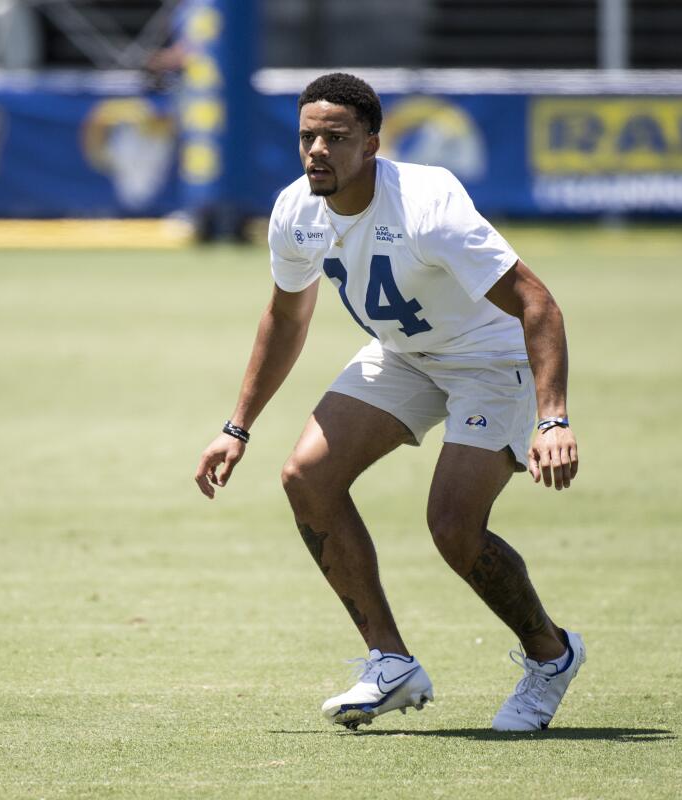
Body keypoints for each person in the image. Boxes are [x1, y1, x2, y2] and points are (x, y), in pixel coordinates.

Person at [194, 72, 583, 732]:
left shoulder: (427, 205)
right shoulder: (296, 211)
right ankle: (391, 661)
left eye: (335, 138)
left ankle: (551, 655)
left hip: (489, 358)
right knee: (306, 477)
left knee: (453, 529)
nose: (317, 150)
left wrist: (554, 418)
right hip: (404, 354)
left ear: (372, 144)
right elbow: (286, 320)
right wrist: (238, 427)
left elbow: (536, 302)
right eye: (307, 137)